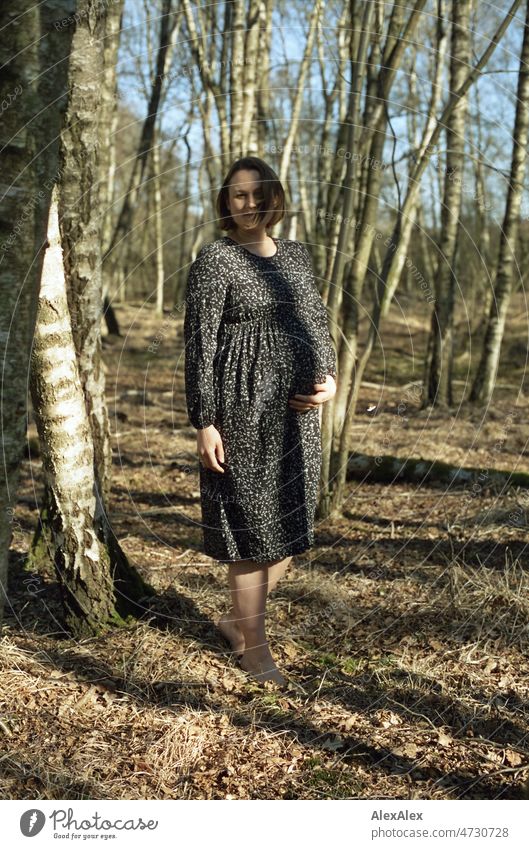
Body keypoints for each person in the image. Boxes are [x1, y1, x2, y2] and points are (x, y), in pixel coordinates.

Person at [183, 155, 337, 685]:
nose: (247, 204)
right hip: (240, 410)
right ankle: (256, 651)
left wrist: (329, 378)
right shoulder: (216, 261)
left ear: (274, 198)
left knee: (290, 529)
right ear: (226, 201)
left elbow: (316, 321)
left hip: (296, 416)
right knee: (250, 532)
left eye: (257, 194)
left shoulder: (295, 257)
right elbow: (199, 346)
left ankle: (234, 621)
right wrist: (204, 421)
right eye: (237, 195)